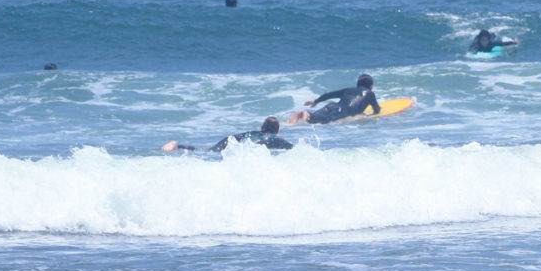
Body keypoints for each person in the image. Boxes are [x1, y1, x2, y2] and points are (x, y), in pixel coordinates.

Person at [162, 116, 292, 152]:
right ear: (277, 130)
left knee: (209, 150)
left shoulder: (252, 132)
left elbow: (234, 138)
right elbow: (294, 148)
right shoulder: (277, 138)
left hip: (229, 141)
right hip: (244, 148)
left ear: (263, 127)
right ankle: (176, 146)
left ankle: (177, 146)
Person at [288, 74, 381, 124]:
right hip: (342, 111)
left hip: (332, 106)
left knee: (312, 119)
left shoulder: (348, 90)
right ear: (371, 86)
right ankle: (305, 114)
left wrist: (315, 101)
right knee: (322, 121)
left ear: (358, 84)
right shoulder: (370, 94)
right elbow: (376, 109)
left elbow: (330, 95)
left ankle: (300, 114)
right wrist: (368, 116)